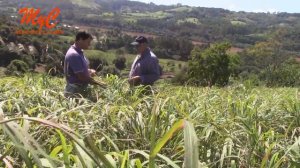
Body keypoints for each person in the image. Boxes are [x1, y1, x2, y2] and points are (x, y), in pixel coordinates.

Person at [64, 31, 105, 98]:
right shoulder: (74, 54)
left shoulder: (79, 52)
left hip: (79, 88)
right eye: (88, 42)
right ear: (80, 39)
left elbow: (79, 69)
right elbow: (81, 76)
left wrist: (89, 71)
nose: (89, 45)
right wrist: (99, 83)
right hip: (75, 91)